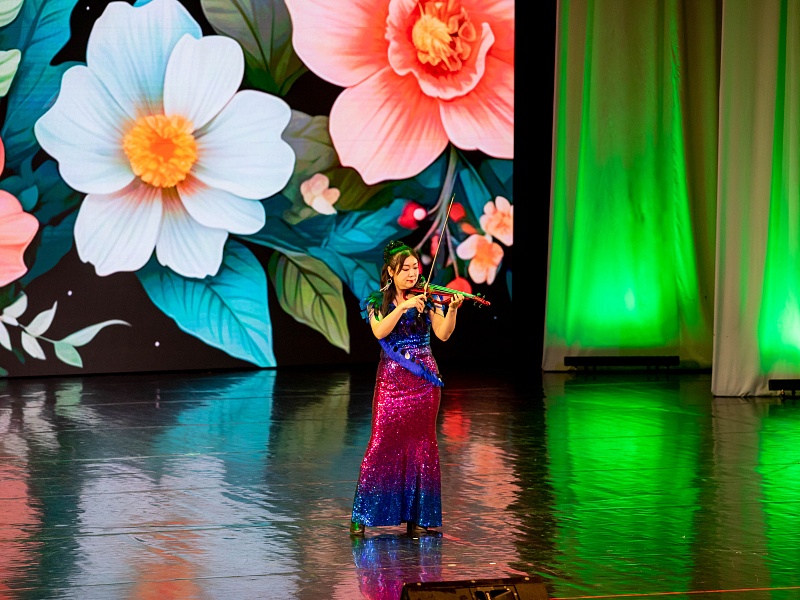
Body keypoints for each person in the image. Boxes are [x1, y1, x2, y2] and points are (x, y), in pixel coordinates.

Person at [349, 240, 464, 537]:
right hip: (392, 382)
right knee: (381, 444)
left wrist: (451, 310)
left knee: (422, 446)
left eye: (415, 268)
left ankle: (418, 515)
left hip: (424, 384)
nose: (413, 274)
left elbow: (443, 334)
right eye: (405, 269)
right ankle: (363, 514)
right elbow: (379, 330)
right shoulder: (377, 302)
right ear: (391, 272)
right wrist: (402, 306)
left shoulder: (427, 299)